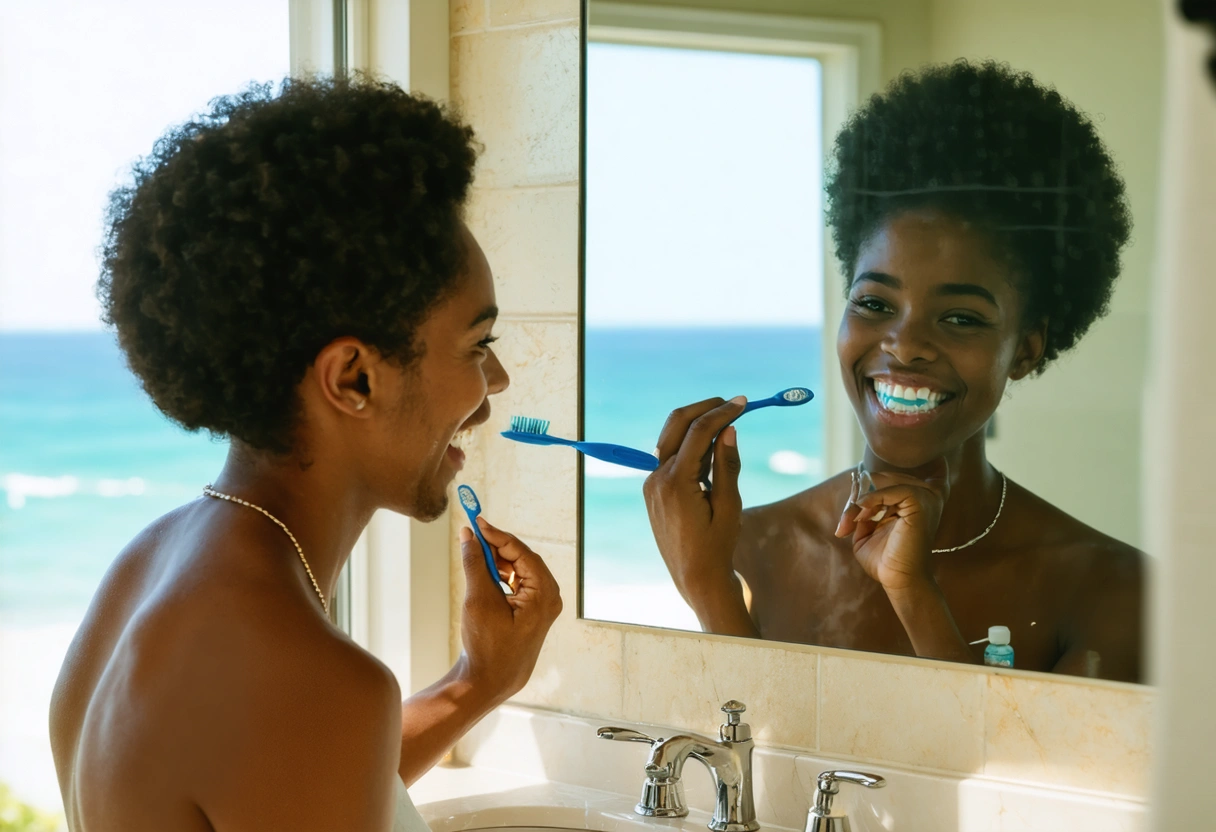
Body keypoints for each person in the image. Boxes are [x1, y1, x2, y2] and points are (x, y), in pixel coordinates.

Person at [48, 76, 562, 831]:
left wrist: (476, 683)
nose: (497, 384)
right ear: (353, 378)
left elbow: (280, 782)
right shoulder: (305, 676)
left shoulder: (152, 562)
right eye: (477, 345)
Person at [644, 60, 1144, 683]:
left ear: (1026, 348)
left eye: (960, 318)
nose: (904, 345)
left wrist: (914, 592)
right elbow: (756, 757)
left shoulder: (1114, 590)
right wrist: (708, 587)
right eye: (875, 304)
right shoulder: (749, 548)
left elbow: (1005, 780)